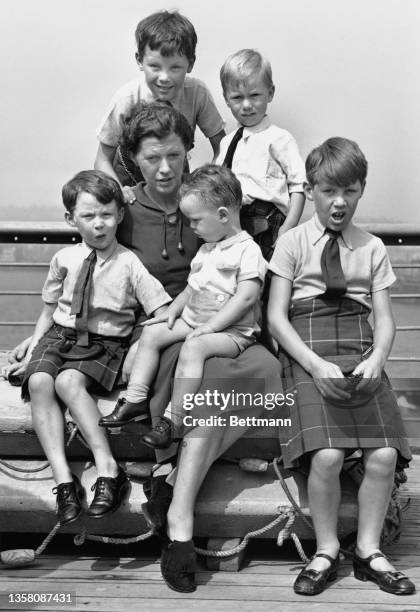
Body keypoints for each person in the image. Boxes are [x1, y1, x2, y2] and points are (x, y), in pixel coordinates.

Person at [6, 103, 284, 593]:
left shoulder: (209, 199)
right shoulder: (124, 210)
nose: (165, 168)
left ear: (188, 153)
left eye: (175, 155)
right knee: (206, 379)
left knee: (260, 374)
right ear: (134, 158)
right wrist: (44, 331)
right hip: (166, 330)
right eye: (152, 157)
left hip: (228, 326)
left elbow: (251, 275)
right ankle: (179, 521)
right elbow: (93, 269)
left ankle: (174, 486)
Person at [267, 137, 415, 596]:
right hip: (307, 350)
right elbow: (275, 317)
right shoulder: (291, 243)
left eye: (350, 191)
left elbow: (385, 320)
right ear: (311, 190)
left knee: (385, 455)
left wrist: (378, 359)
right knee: (328, 456)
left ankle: (369, 552)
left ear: (361, 190)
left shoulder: (371, 247)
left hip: (359, 346)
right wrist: (312, 365)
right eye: (329, 190)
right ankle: (326, 550)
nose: (339, 202)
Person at [5, 170, 171, 526]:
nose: (99, 225)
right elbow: (50, 311)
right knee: (38, 383)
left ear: (119, 215)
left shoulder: (129, 263)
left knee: (67, 383)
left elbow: (161, 311)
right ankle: (64, 480)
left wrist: (139, 346)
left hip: (104, 344)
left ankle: (109, 470)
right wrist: (33, 347)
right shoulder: (64, 259)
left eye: (107, 215)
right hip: (59, 337)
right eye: (89, 216)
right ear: (71, 219)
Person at [101, 165, 267, 449]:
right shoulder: (206, 249)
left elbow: (247, 298)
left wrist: (210, 328)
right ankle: (136, 398)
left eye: (196, 220)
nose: (191, 227)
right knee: (151, 335)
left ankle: (173, 419)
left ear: (223, 216)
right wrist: (171, 312)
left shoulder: (247, 250)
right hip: (194, 321)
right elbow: (191, 289)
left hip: (231, 332)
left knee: (193, 348)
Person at [94, 9, 225, 197]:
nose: (164, 78)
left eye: (175, 68)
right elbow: (102, 160)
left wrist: (207, 184)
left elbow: (223, 147)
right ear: (139, 60)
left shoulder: (197, 93)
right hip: (127, 178)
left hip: (173, 172)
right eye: (155, 66)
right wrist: (119, 192)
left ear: (190, 63)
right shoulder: (126, 98)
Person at [216, 49, 306, 261]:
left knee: (270, 283)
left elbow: (298, 186)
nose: (246, 105)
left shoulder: (280, 139)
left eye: (255, 95)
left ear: (270, 93)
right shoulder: (227, 143)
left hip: (271, 223)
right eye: (237, 97)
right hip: (236, 223)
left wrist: (289, 227)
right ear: (226, 99)